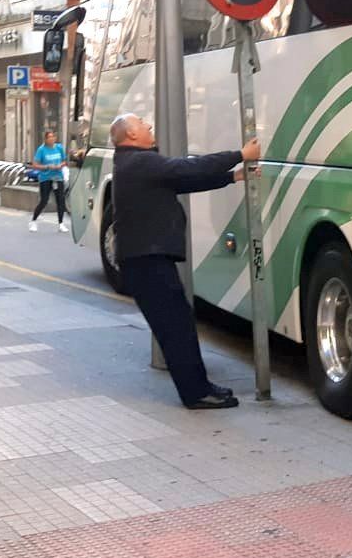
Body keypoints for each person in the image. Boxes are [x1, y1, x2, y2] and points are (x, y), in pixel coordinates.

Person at [111, 113, 260, 409]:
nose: (150, 125)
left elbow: (184, 180)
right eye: (142, 123)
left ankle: (199, 386)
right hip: (147, 261)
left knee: (177, 324)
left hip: (145, 259)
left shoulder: (134, 164)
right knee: (176, 327)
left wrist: (232, 176)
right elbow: (191, 166)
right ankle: (196, 393)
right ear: (131, 136)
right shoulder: (140, 162)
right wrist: (240, 155)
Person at [28, 130, 68, 233]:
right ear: (45, 139)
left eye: (53, 137)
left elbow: (64, 161)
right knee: (44, 200)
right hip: (45, 177)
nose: (51, 139)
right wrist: (46, 166)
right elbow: (35, 165)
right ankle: (33, 221)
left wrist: (61, 165)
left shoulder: (59, 148)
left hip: (58, 177)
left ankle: (61, 223)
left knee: (60, 200)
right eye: (49, 137)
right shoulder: (41, 150)